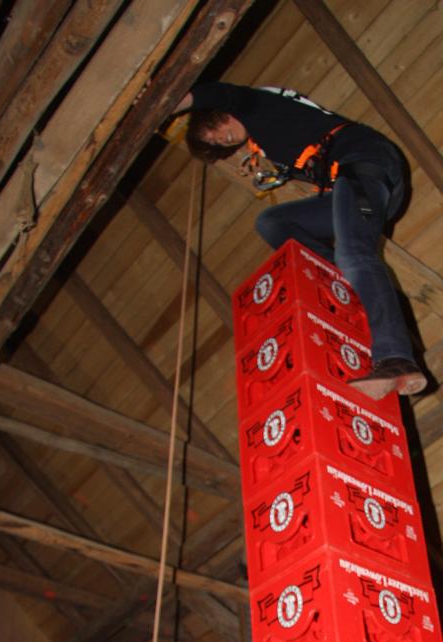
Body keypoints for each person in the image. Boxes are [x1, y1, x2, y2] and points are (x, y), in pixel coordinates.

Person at [174, 81, 427, 402]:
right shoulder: (269, 144)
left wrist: (174, 102)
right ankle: (341, 280)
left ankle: (396, 359)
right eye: (214, 143)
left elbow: (222, 94)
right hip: (357, 184)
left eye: (213, 131)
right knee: (273, 222)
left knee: (354, 254)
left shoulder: (257, 107)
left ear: (218, 114)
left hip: (366, 166)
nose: (220, 139)